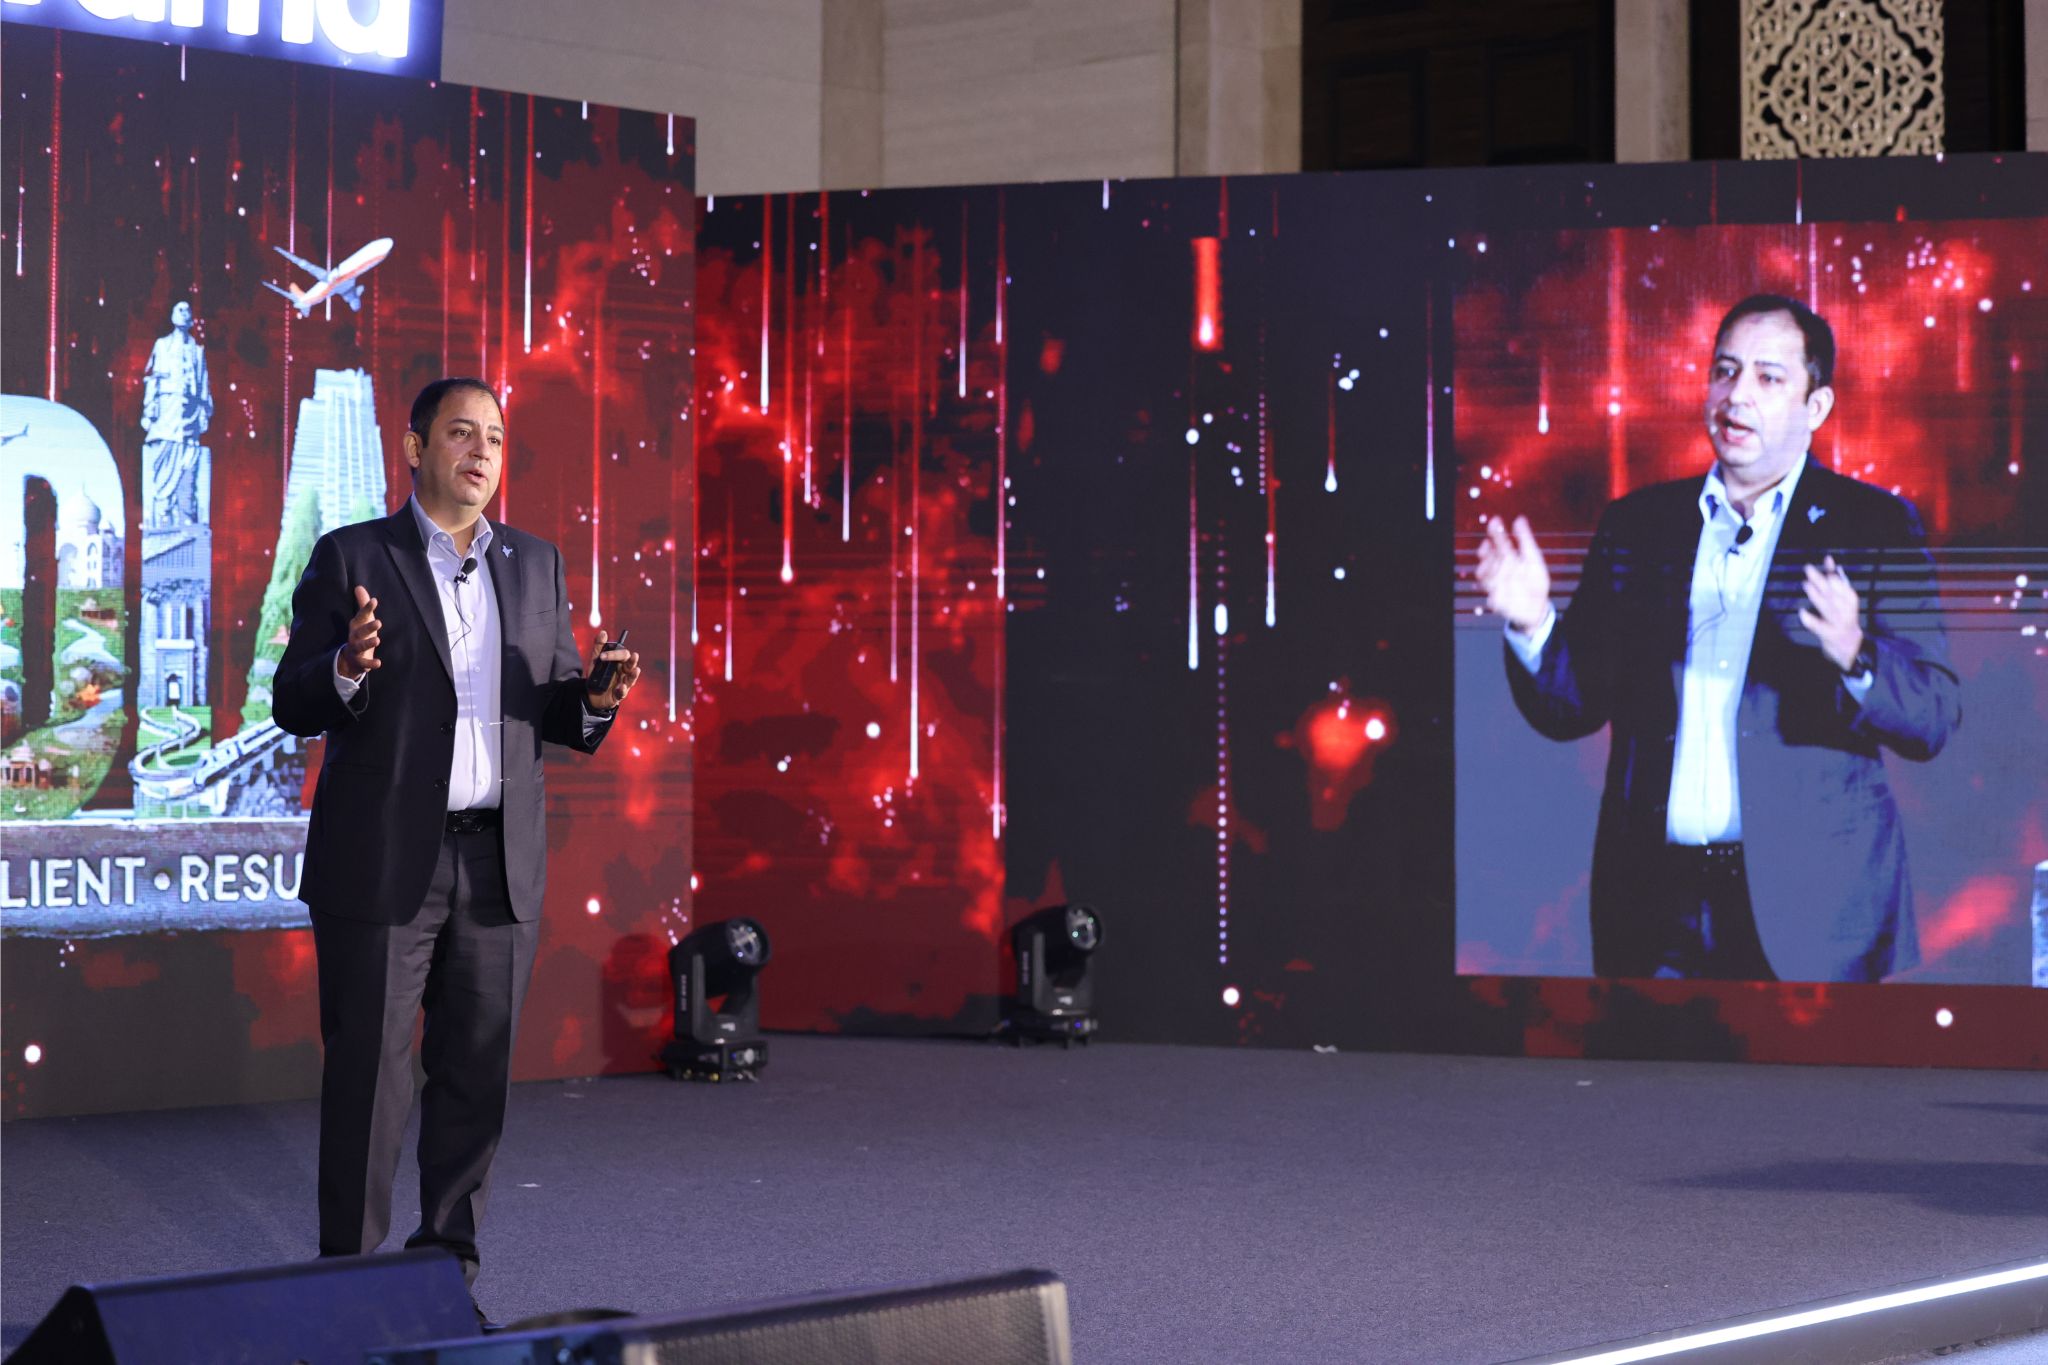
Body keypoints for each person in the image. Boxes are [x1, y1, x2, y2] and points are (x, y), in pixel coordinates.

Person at [273, 377, 639, 1324]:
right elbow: (291, 699)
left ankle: (445, 1284)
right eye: (462, 433)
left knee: (474, 1083)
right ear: (414, 448)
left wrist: (596, 697)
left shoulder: (536, 564)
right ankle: (346, 1293)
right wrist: (345, 665)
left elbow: (555, 708)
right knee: (370, 1084)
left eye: (496, 438)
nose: (481, 452)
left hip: (498, 864)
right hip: (382, 861)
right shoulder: (354, 554)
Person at [1475, 294, 1959, 983]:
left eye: (1768, 377)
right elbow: (1570, 705)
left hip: (1816, 911)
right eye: (1725, 371)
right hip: (1654, 907)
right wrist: (1531, 623)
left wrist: (1856, 653)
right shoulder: (1638, 527)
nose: (1737, 396)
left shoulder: (1874, 526)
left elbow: (1933, 717)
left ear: (1816, 406)